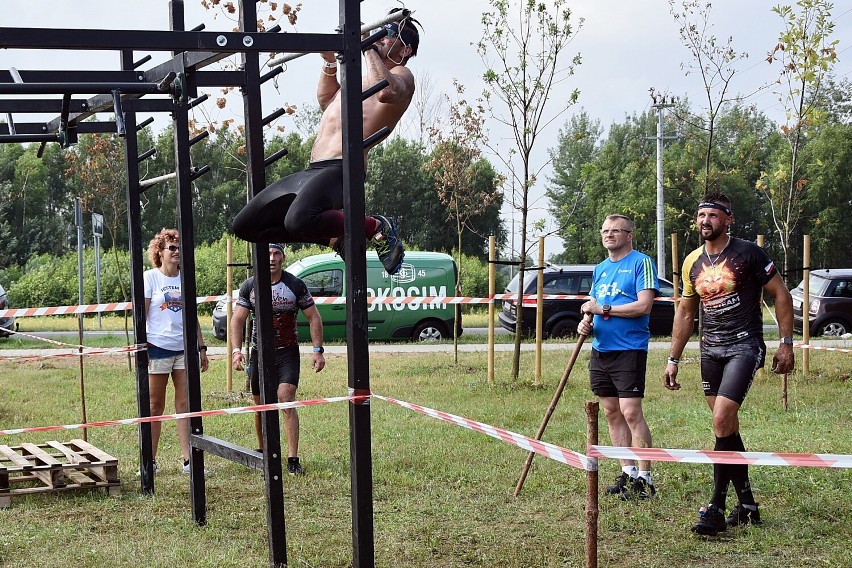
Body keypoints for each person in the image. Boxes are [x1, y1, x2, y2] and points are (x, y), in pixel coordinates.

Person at [232, 11, 422, 276]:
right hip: (314, 168)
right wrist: (330, 62)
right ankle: (335, 238)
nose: (380, 38)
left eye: (388, 35)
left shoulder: (402, 74)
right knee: (246, 226)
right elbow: (326, 101)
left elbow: (387, 92)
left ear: (405, 49)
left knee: (298, 219)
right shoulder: (361, 77)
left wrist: (364, 45)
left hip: (343, 166)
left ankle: (376, 227)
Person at [664, 192, 795, 536]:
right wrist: (673, 358)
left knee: (722, 418)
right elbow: (686, 311)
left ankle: (716, 507)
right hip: (710, 351)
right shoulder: (692, 260)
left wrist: (786, 343)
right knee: (726, 427)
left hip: (744, 345)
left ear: (727, 220)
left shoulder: (748, 252)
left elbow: (781, 294)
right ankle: (748, 505)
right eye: (701, 215)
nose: (705, 221)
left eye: (712, 215)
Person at [577, 214, 659, 500]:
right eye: (605, 231)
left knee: (631, 412)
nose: (609, 235)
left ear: (629, 235)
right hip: (602, 349)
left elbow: (644, 306)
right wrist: (585, 320)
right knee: (611, 412)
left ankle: (646, 477)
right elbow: (592, 306)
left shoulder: (641, 262)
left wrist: (604, 309)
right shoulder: (600, 268)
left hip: (629, 348)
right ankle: (628, 471)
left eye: (615, 231)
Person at [230, 243, 325, 476]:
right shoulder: (250, 286)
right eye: (267, 253)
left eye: (276, 254)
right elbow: (237, 320)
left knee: (285, 399)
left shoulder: (295, 285)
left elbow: (314, 317)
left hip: (287, 351)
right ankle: (262, 451)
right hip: (259, 352)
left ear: (283, 257)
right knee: (260, 404)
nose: (271, 258)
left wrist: (317, 350)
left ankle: (293, 458)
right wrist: (236, 351)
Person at [143, 228, 209, 474]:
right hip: (157, 348)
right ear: (160, 252)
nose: (177, 252)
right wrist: (141, 347)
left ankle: (189, 460)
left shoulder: (186, 278)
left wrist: (201, 347)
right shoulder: (150, 278)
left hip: (184, 349)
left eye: (180, 248)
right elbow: (142, 316)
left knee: (185, 404)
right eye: (172, 248)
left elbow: (192, 317)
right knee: (153, 406)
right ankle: (149, 461)